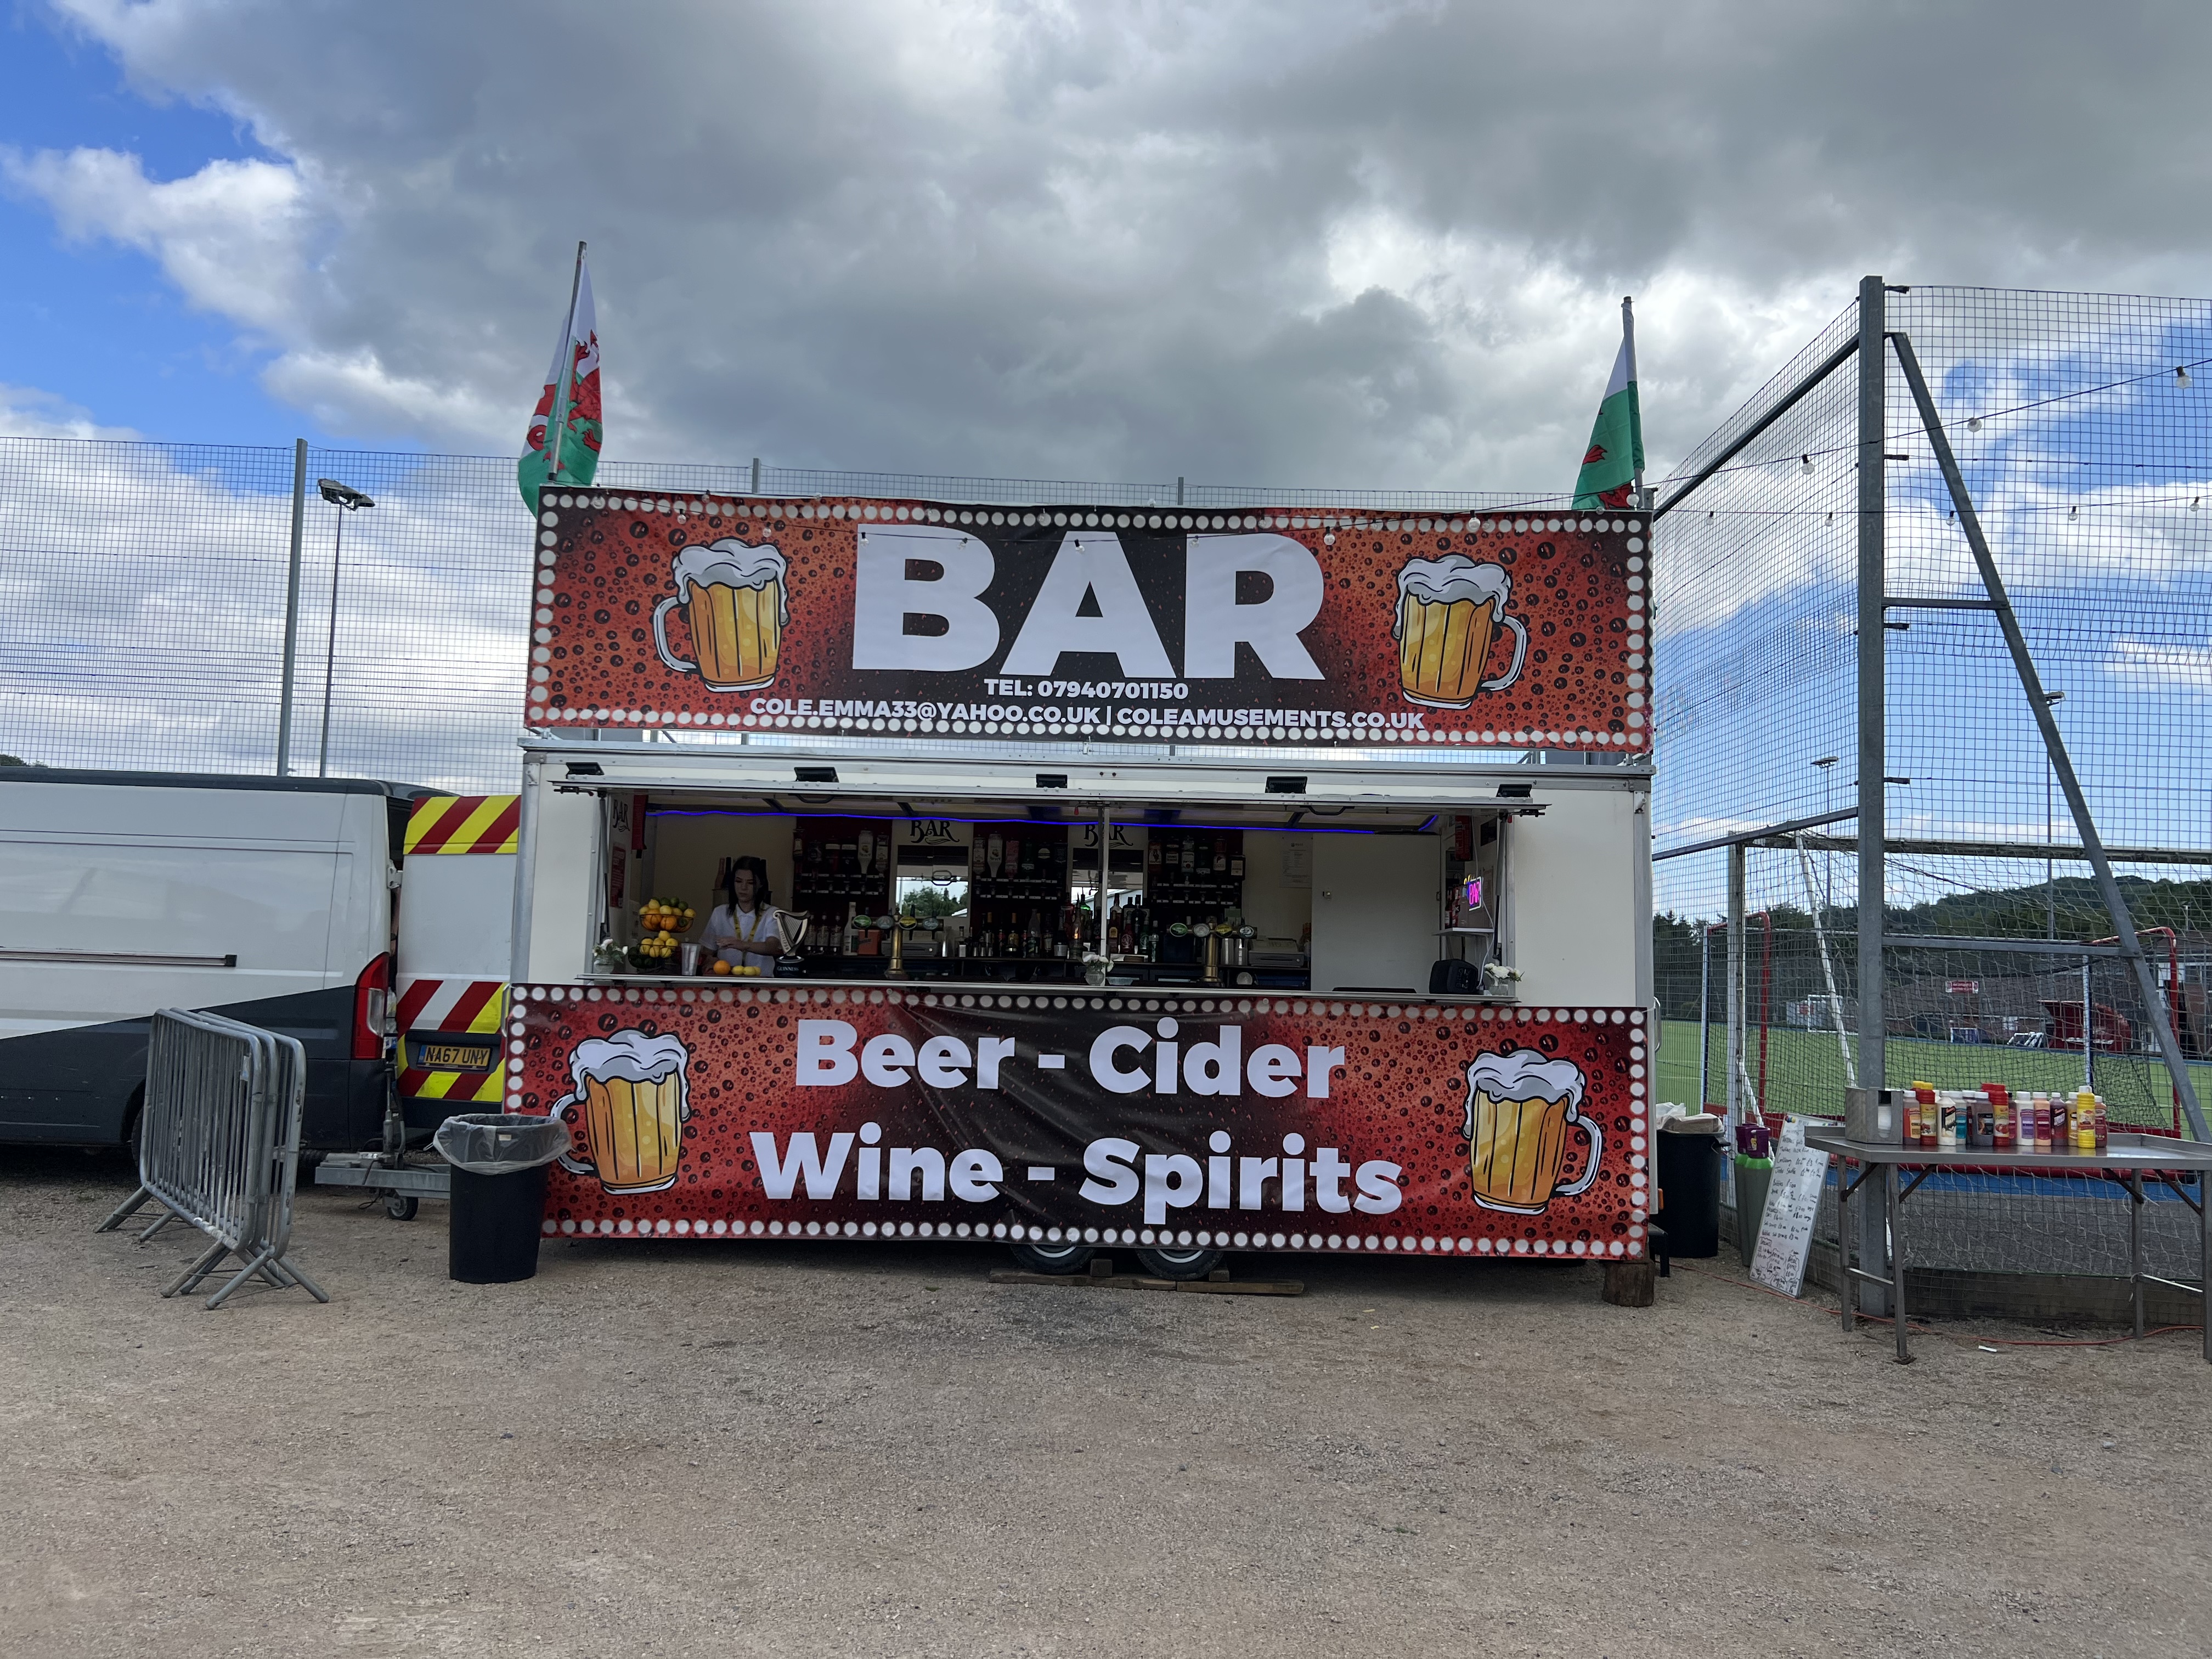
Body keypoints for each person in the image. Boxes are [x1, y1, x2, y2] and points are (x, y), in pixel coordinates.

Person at [703, 856, 784, 973]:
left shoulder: (772, 913)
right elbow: (707, 953)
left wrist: (743, 945)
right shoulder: (719, 913)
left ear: (761, 884)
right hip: (726, 980)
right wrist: (711, 961)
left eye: (751, 883)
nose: (743, 887)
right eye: (738, 881)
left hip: (762, 981)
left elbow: (772, 947)